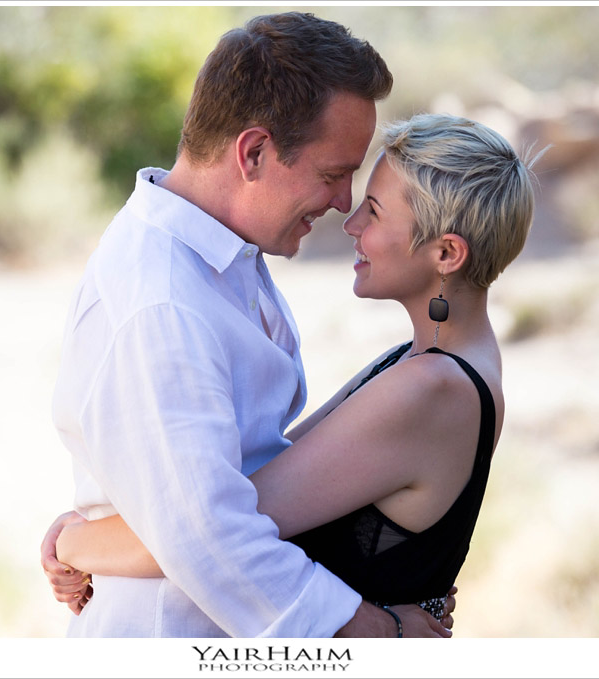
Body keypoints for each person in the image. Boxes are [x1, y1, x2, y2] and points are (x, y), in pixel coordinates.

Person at [41, 11, 456, 638]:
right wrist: (378, 635)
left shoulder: (223, 254)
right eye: (331, 174)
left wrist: (86, 537)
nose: (344, 202)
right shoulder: (163, 302)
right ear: (254, 152)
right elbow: (208, 536)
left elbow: (238, 475)